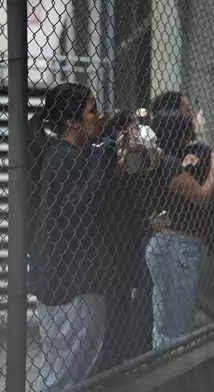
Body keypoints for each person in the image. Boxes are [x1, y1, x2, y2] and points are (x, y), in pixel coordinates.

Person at [28, 83, 116, 391]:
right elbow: (83, 211)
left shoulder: (67, 155)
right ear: (72, 122)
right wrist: (104, 158)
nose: (100, 115)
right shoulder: (64, 158)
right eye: (92, 109)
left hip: (68, 285)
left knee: (67, 375)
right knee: (65, 379)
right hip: (70, 289)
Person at [146, 110, 214, 348]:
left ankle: (162, 360)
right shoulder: (170, 165)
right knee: (178, 321)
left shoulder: (157, 159)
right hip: (179, 246)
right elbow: (203, 196)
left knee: (164, 316)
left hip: (162, 241)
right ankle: (172, 369)